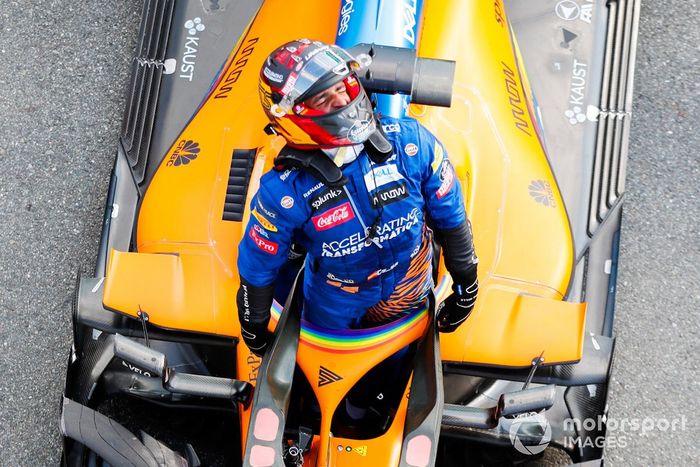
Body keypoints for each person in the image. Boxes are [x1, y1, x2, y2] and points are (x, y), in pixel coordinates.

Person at [236, 39, 478, 358]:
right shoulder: (283, 191)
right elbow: (258, 265)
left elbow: (452, 218)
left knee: (400, 358)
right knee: (321, 361)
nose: (342, 100)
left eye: (344, 88)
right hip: (334, 293)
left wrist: (466, 283)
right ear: (295, 116)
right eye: (325, 98)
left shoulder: (413, 143)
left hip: (409, 274)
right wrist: (253, 323)